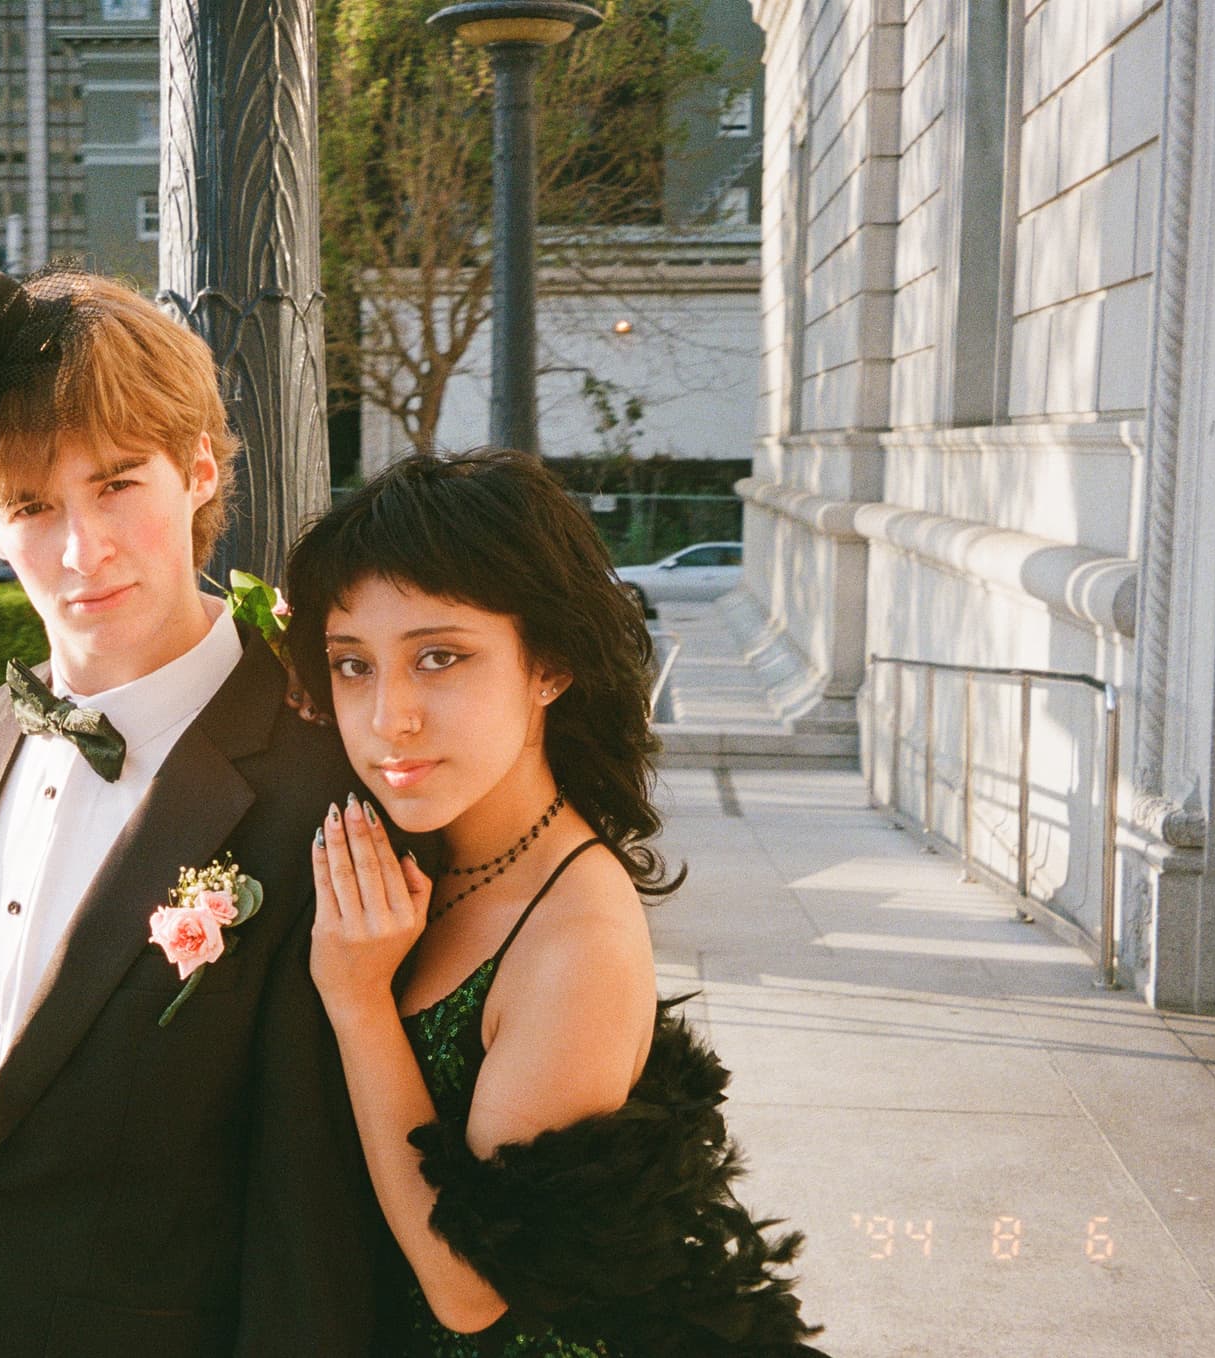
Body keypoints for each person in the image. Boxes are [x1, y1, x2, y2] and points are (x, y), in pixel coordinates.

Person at [0, 265, 382, 1357]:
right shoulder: (1, 726)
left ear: (198, 469)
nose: (80, 550)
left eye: (116, 484)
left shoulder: (313, 781)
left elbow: (310, 1219)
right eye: (31, 505)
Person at [286, 451, 828, 1357]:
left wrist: (357, 1000)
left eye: (439, 658)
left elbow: (471, 1289)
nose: (388, 717)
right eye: (353, 665)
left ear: (551, 663)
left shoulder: (576, 935)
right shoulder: (431, 849)